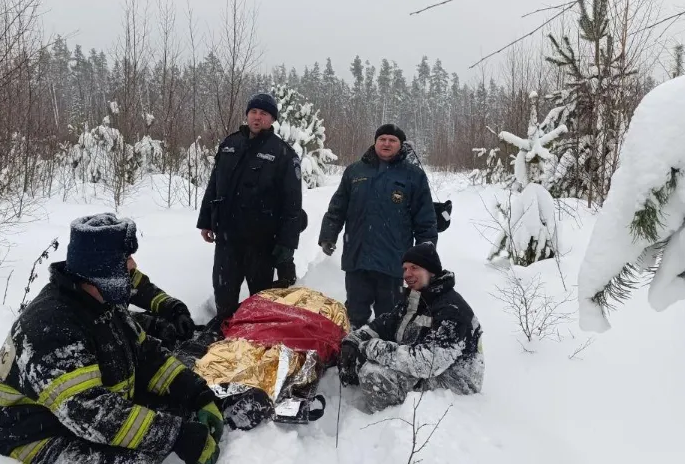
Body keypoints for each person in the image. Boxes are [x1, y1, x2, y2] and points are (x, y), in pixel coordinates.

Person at [0, 213, 224, 464]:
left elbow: (146, 355)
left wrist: (196, 393)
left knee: (178, 413)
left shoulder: (101, 299)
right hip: (32, 433)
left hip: (81, 410)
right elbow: (92, 413)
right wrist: (177, 436)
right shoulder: (52, 328)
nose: (133, 265)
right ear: (102, 268)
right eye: (125, 259)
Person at [338, 243, 484, 412]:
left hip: (453, 384)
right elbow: (386, 324)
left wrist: (371, 348)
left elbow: (428, 363)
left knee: (374, 374)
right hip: (427, 369)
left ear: (431, 271)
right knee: (360, 358)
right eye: (405, 269)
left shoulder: (453, 311)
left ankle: (388, 420)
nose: (407, 274)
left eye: (414, 268)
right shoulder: (417, 298)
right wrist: (354, 341)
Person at [197, 93, 303, 324]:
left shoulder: (283, 154)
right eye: (253, 112)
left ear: (272, 119)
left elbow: (293, 204)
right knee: (224, 295)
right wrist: (205, 221)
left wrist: (287, 248)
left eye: (263, 114)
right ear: (247, 115)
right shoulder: (230, 144)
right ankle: (223, 338)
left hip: (261, 242)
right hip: (227, 238)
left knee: (260, 300)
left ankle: (254, 342)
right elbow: (214, 184)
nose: (257, 117)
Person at [318, 124, 438, 328]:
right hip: (357, 258)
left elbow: (425, 218)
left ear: (401, 145)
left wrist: (426, 250)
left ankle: (384, 355)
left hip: (393, 261)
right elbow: (337, 207)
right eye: (382, 139)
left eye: (392, 140)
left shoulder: (413, 175)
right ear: (375, 142)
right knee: (354, 315)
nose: (386, 143)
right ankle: (353, 352)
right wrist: (328, 235)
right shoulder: (355, 171)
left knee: (389, 317)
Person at [127, 258, 196, 348]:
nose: (133, 264)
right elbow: (110, 319)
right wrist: (148, 324)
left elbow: (146, 292)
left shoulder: (120, 271)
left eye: (127, 255)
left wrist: (175, 309)